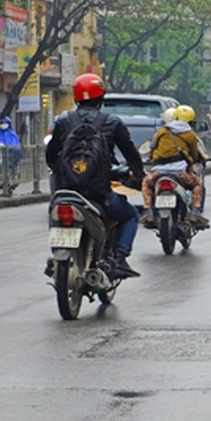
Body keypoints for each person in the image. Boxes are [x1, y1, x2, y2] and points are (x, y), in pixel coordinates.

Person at [45, 73, 146, 278]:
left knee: (54, 213)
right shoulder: (112, 122)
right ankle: (119, 258)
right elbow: (131, 154)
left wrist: (64, 173)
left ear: (76, 97)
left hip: (65, 192)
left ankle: (56, 255)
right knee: (131, 215)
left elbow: (50, 154)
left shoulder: (63, 120)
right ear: (101, 98)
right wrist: (138, 176)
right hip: (99, 195)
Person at [139, 104, 210, 228]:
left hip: (159, 172)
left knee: (146, 183)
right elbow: (193, 154)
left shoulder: (162, 131)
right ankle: (195, 212)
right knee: (198, 184)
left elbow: (153, 147)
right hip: (180, 173)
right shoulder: (190, 134)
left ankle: (148, 210)